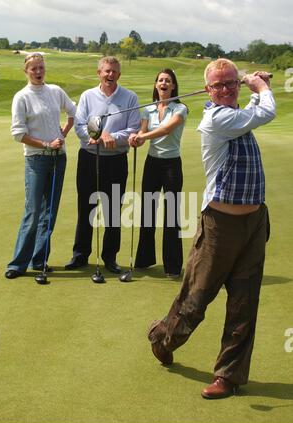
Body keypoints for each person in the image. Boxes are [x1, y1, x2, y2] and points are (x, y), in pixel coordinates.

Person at [147, 59, 276, 399]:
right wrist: (260, 88)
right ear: (207, 90)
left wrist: (249, 91)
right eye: (218, 85)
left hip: (254, 222)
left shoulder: (234, 116)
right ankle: (164, 337)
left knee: (244, 303)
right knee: (196, 298)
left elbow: (248, 114)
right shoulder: (215, 119)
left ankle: (228, 376)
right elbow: (264, 113)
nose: (226, 89)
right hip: (220, 225)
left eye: (232, 82)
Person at [65, 56, 140, 273]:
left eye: (114, 71)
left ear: (119, 74)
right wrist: (100, 134)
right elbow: (79, 125)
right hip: (89, 157)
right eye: (106, 71)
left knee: (113, 211)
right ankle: (80, 255)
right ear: (99, 73)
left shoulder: (130, 97)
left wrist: (112, 137)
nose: (110, 75)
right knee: (85, 207)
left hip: (116, 160)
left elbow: (133, 129)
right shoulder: (88, 96)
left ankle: (110, 257)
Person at [5, 53, 76, 279]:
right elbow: (18, 134)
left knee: (50, 213)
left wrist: (62, 134)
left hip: (58, 158)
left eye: (41, 67)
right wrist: (46, 143)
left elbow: (73, 113)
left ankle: (39, 261)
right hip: (36, 159)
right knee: (34, 211)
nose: (38, 72)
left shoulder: (55, 91)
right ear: (26, 71)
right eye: (33, 68)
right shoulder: (22, 97)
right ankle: (18, 264)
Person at [129, 69, 188, 278]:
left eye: (168, 81)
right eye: (161, 80)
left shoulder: (181, 108)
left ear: (173, 86)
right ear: (156, 85)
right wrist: (136, 137)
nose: (164, 83)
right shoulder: (148, 110)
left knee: (171, 214)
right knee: (147, 212)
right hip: (152, 164)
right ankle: (144, 260)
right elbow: (143, 131)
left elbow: (165, 130)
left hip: (172, 165)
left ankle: (172, 266)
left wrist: (143, 137)